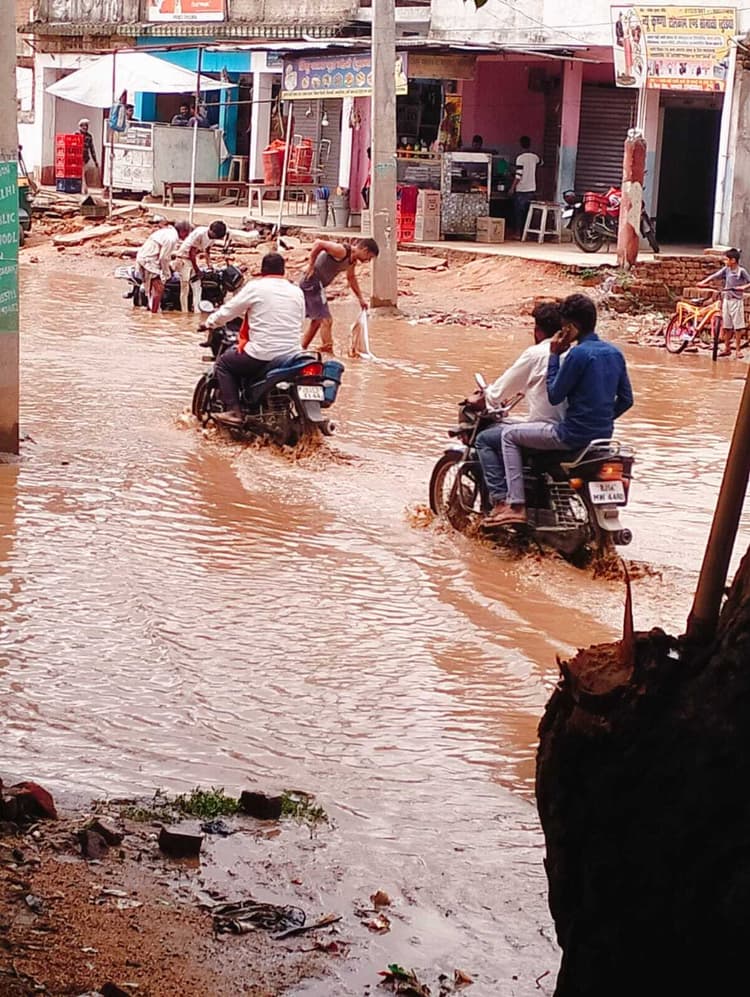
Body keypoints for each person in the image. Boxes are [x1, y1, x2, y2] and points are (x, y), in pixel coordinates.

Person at [493, 294, 634, 526]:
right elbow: (627, 400)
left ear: (571, 327)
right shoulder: (614, 353)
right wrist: (601, 419)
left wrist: (554, 356)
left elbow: (555, 394)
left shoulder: (578, 354)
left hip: (570, 435)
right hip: (603, 437)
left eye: (565, 325)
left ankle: (516, 506)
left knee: (508, 435)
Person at [476, 302, 566, 525]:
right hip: (574, 428)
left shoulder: (536, 354)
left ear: (538, 331)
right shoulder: (575, 354)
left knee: (485, 439)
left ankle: (504, 503)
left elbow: (498, 392)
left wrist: (486, 396)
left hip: (549, 430)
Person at [200, 252, 305, 427]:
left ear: (262, 270)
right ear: (283, 270)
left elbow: (229, 310)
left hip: (262, 353)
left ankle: (234, 411)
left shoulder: (256, 287)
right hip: (292, 354)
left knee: (224, 364)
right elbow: (300, 319)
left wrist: (209, 322)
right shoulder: (297, 291)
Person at [299, 238, 379, 354]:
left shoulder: (352, 261)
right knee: (325, 319)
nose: (368, 260)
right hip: (311, 282)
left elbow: (351, 278)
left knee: (319, 320)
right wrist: (311, 265)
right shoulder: (341, 251)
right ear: (365, 250)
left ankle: (304, 348)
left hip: (318, 286)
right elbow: (318, 243)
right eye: (369, 257)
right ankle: (326, 350)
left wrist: (361, 299)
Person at [698, 248, 750, 358]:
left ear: (733, 260)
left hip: (736, 301)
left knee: (738, 327)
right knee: (727, 325)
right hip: (727, 299)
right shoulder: (726, 270)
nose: (725, 261)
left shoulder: (741, 271)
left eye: (727, 259)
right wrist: (703, 282)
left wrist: (743, 287)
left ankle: (738, 350)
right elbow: (715, 275)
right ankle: (727, 348)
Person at [136, 219, 192, 313]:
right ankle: (154, 315)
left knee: (152, 288)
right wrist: (166, 273)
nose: (187, 236)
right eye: (187, 233)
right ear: (183, 231)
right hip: (149, 260)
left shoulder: (167, 232)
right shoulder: (172, 239)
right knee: (159, 288)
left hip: (144, 256)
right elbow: (163, 258)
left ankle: (151, 309)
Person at [174, 220, 227, 313]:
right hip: (183, 258)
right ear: (210, 230)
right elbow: (191, 253)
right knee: (185, 287)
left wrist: (210, 265)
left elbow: (207, 250)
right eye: (214, 235)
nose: (214, 238)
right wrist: (197, 270)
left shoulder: (213, 237)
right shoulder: (200, 234)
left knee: (197, 287)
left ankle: (197, 310)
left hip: (193, 258)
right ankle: (184, 312)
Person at [511, 136, 541, 235]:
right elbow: (541, 163)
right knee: (528, 214)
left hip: (521, 189)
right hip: (531, 189)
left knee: (518, 213)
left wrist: (512, 188)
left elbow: (518, 175)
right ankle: (526, 233)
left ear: (520, 145)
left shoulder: (520, 158)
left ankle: (518, 233)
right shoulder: (535, 157)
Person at [78, 118, 99, 195]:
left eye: (86, 126)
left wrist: (95, 161)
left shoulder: (89, 136)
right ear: (80, 127)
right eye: (83, 126)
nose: (85, 128)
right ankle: (83, 189)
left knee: (82, 173)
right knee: (81, 174)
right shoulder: (76, 135)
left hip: (84, 158)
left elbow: (92, 149)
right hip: (76, 157)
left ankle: (84, 189)